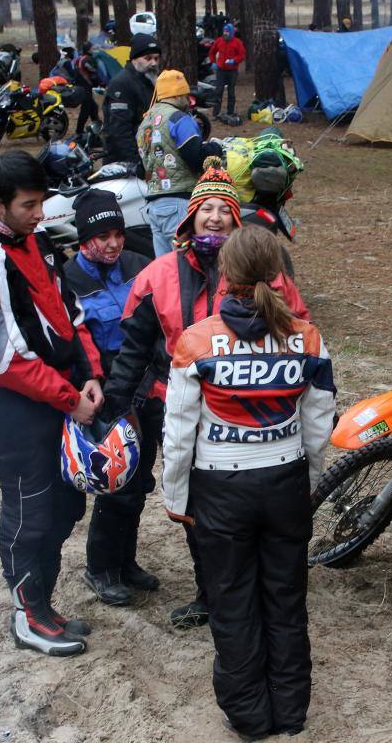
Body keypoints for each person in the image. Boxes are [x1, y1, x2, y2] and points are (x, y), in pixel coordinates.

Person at [103, 157, 310, 627]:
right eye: (206, 208)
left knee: (250, 505)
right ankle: (211, 592)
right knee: (196, 506)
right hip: (173, 400)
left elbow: (301, 335)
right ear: (189, 216)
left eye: (224, 209)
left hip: (249, 408)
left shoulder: (267, 272)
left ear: (237, 221)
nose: (214, 216)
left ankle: (249, 589)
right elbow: (133, 348)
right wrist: (115, 406)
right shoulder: (157, 274)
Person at [163, 225, 336, 739]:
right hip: (284, 481)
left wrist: (176, 496)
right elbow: (319, 421)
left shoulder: (196, 340)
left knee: (232, 600)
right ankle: (290, 712)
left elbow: (178, 431)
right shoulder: (306, 337)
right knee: (286, 598)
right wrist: (307, 477)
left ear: (224, 273)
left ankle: (249, 718)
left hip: (220, 487)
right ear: (277, 275)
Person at [0, 151, 104, 657]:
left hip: (58, 393)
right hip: (13, 404)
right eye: (29, 204)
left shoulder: (31, 239)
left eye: (41, 201)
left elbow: (68, 311)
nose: (41, 213)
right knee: (29, 507)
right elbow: (2, 361)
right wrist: (69, 398)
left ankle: (43, 602)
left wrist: (92, 376)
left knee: (65, 503)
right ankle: (27, 614)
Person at [62, 189, 162, 606]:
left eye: (118, 232)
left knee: (139, 480)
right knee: (114, 481)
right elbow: (73, 341)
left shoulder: (141, 266)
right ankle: (100, 568)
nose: (113, 243)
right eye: (102, 235)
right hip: (106, 394)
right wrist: (94, 382)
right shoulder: (69, 280)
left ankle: (126, 561)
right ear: (84, 239)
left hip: (148, 390)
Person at [137, 69, 222, 256]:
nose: (188, 100)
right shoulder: (178, 118)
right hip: (178, 202)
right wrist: (215, 148)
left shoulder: (145, 122)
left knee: (166, 269)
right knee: (186, 265)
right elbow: (195, 156)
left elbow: (140, 165)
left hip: (154, 204)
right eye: (186, 95)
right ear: (179, 94)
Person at [103, 33, 161, 165]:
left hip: (147, 155)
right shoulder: (121, 84)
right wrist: (135, 162)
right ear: (134, 59)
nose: (153, 63)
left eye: (156, 59)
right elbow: (119, 129)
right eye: (148, 58)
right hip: (123, 161)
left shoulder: (151, 80)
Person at [208, 23, 246, 119]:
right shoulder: (219, 41)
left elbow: (242, 55)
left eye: (227, 32)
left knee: (231, 92)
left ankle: (230, 112)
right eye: (224, 31)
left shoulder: (237, 42)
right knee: (218, 91)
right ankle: (216, 113)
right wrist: (213, 62)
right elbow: (212, 52)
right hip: (221, 70)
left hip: (232, 71)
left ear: (232, 32)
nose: (225, 34)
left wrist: (234, 60)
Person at [74, 41, 101, 136]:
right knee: (86, 109)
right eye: (92, 48)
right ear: (88, 49)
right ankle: (79, 130)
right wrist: (99, 83)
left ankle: (98, 129)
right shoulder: (88, 59)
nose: (93, 50)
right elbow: (93, 73)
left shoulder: (78, 59)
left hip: (80, 87)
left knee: (93, 107)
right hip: (85, 88)